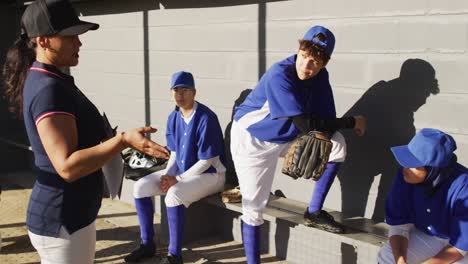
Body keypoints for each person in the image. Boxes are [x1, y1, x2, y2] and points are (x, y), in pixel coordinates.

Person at [1, 1, 169, 263]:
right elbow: (67, 166)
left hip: (69, 218)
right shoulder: (49, 89)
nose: (79, 43)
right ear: (43, 41)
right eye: (70, 36)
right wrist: (122, 141)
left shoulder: (50, 79)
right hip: (63, 221)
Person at [230, 25, 366, 263]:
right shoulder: (279, 74)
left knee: (337, 144)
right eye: (304, 56)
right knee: (254, 208)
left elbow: (326, 124)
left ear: (324, 63)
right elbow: (308, 124)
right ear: (299, 49)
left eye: (314, 61)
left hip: (285, 135)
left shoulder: (320, 78)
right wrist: (353, 120)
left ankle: (313, 212)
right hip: (252, 141)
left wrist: (336, 126)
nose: (306, 65)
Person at [124, 71, 226, 264]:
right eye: (175, 90)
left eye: (184, 90)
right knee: (140, 187)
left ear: (194, 92)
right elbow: (175, 154)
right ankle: (147, 245)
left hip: (212, 175)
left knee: (174, 194)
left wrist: (176, 180)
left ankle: (174, 256)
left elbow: (208, 161)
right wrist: (168, 175)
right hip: (183, 173)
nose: (180, 94)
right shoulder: (173, 117)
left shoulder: (206, 117)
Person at [378, 128, 468, 264]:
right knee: (388, 256)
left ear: (433, 169)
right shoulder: (405, 175)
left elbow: (460, 246)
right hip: (430, 236)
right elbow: (399, 226)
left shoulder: (463, 185)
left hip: (461, 247)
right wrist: (400, 260)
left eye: (413, 165)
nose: (405, 168)